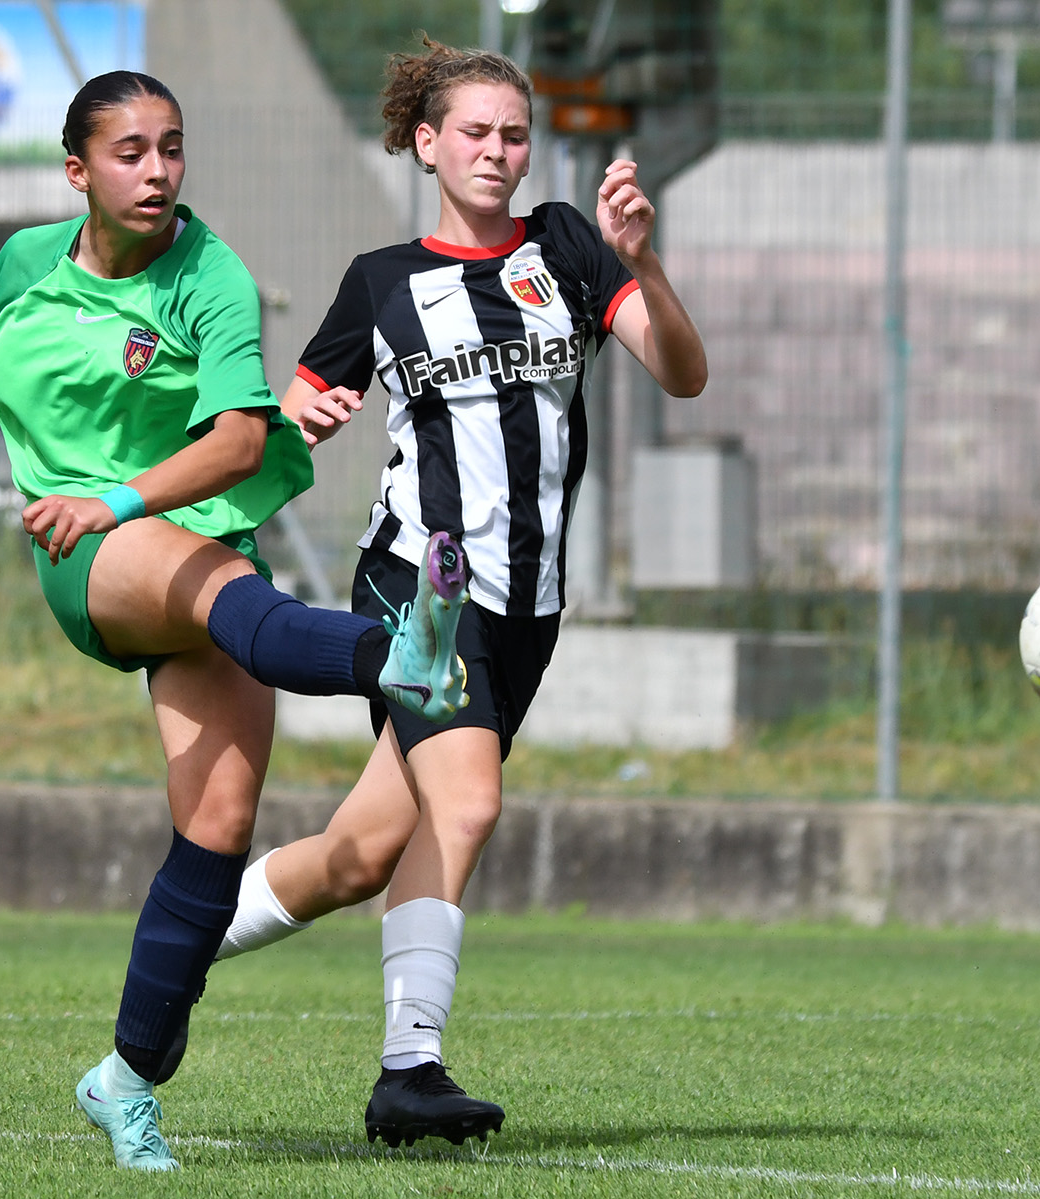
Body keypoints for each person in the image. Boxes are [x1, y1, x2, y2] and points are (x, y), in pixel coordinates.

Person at [0, 70, 472, 1173]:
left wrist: (119, 497)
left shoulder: (211, 272)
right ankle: (404, 656)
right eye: (130, 152)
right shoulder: (27, 263)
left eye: (172, 147)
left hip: (180, 539)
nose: (158, 171)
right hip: (91, 555)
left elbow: (241, 443)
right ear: (78, 171)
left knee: (216, 827)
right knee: (249, 610)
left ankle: (125, 1078)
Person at [213, 41, 708, 1148]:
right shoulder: (381, 281)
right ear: (427, 143)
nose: (496, 151)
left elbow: (683, 373)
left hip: (531, 604)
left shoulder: (569, 245)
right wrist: (297, 422)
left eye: (514, 134)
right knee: (469, 804)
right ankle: (410, 1070)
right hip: (421, 585)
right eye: (475, 132)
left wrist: (646, 263)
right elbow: (279, 431)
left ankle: (179, 940)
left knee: (358, 854)